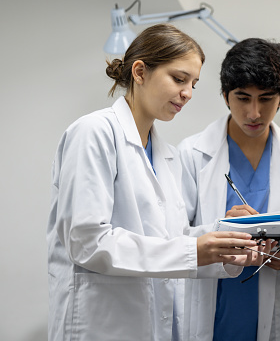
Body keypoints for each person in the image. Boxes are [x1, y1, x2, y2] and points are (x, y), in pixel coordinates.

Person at [46, 24, 261, 341]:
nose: (187, 92)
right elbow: (87, 241)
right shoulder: (94, 133)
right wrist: (193, 250)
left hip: (157, 325)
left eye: (193, 84)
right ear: (140, 72)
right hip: (102, 325)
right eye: (179, 79)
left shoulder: (168, 156)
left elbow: (170, 238)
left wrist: (220, 237)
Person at [177, 38, 280, 340]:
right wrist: (219, 231)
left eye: (266, 99)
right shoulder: (191, 154)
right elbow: (173, 236)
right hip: (210, 308)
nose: (254, 113)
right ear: (225, 96)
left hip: (267, 303)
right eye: (243, 98)